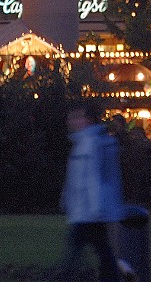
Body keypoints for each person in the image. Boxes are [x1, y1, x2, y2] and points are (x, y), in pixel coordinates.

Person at [61, 98, 124, 282]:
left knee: (78, 253)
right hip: (94, 210)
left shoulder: (88, 144)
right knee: (102, 251)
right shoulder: (97, 142)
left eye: (76, 118)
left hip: (88, 211)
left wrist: (94, 208)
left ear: (87, 120)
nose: (72, 122)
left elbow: (91, 179)